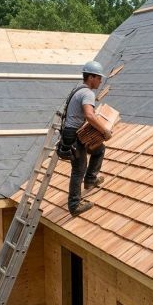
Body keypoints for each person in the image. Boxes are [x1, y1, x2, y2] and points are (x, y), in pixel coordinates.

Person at [62, 61, 112, 216]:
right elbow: (89, 115)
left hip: (72, 134)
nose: (100, 81)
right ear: (91, 77)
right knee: (79, 169)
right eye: (99, 78)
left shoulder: (78, 90)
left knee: (99, 149)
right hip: (74, 136)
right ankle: (74, 206)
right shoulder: (88, 93)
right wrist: (104, 131)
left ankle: (90, 179)